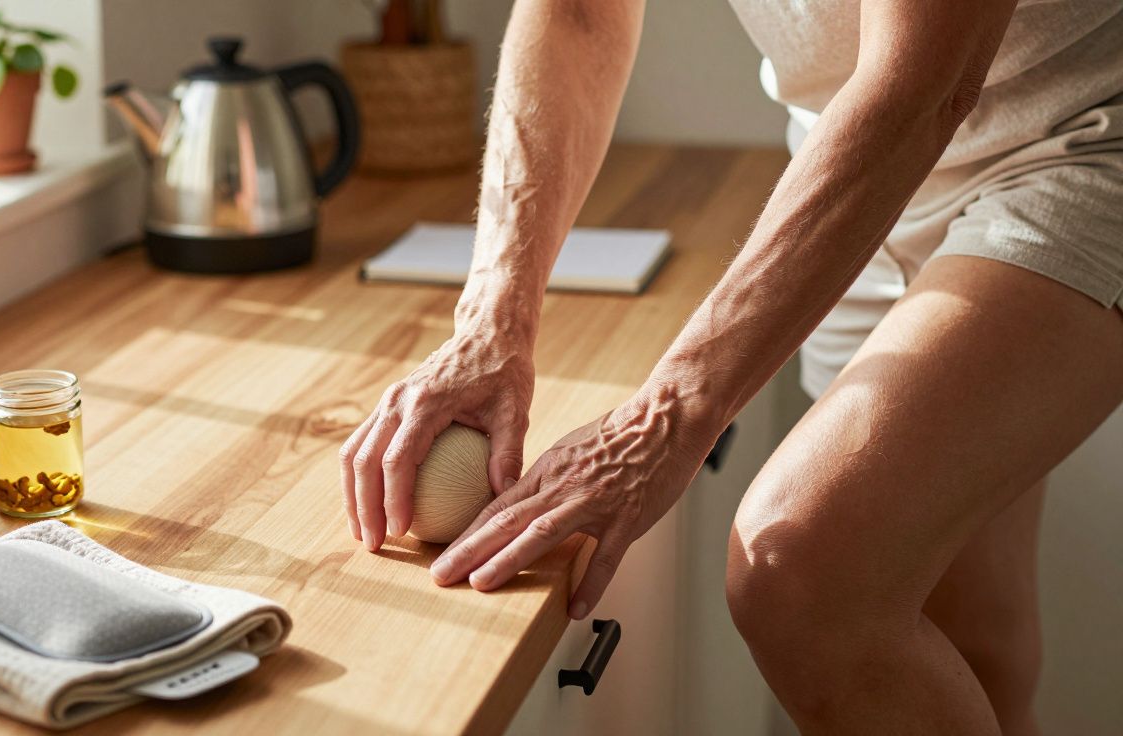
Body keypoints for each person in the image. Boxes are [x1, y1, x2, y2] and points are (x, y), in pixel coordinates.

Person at [339, 0, 1123, 732]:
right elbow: (576, 15)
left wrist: (665, 414)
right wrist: (490, 321)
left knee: (807, 571)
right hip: (858, 164)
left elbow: (926, 79)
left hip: (1075, 144)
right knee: (956, 618)